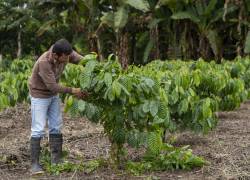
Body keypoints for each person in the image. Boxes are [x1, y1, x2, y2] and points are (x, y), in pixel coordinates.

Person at [28, 39, 86, 175]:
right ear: (55, 55)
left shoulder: (65, 53)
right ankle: (35, 165)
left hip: (53, 95)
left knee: (56, 125)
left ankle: (56, 160)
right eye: (65, 58)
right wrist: (73, 90)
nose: (68, 60)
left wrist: (96, 65)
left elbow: (82, 60)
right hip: (39, 95)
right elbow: (52, 86)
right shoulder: (44, 62)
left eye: (68, 56)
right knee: (38, 128)